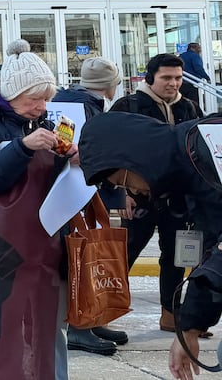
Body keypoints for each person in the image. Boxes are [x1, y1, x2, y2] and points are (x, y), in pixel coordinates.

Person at [0, 39, 70, 380]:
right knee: (3, 333)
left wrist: (71, 157)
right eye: (33, 98)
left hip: (41, 245)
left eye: (46, 97)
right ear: (10, 94)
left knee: (47, 330)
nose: (41, 106)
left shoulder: (39, 123)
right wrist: (21, 147)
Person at [76, 112, 222, 380]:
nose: (133, 193)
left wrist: (189, 328)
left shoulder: (205, 155)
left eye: (124, 183)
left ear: (134, 160)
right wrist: (190, 325)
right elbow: (213, 250)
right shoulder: (192, 155)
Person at [109, 53, 203, 335]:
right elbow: (110, 153)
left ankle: (171, 315)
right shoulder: (127, 106)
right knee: (124, 254)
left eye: (177, 78)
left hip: (179, 198)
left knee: (177, 257)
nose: (173, 83)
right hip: (138, 196)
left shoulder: (190, 108)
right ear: (149, 78)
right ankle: (98, 314)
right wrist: (119, 191)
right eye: (166, 78)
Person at [50, 56, 129, 355]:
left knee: (85, 254)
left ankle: (89, 318)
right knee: (83, 256)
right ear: (109, 86)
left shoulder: (70, 103)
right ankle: (82, 325)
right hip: (80, 193)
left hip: (76, 191)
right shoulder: (84, 109)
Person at [179, 42, 211, 107]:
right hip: (192, 82)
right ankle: (195, 116)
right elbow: (198, 68)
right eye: (198, 48)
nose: (200, 49)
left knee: (182, 103)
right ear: (192, 48)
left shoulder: (181, 56)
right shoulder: (194, 56)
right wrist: (207, 78)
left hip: (182, 83)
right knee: (193, 103)